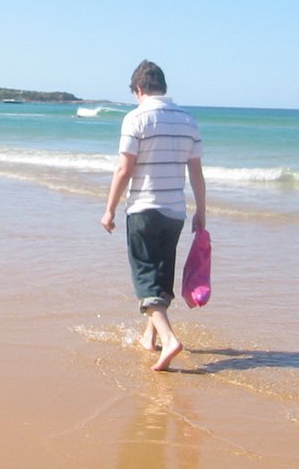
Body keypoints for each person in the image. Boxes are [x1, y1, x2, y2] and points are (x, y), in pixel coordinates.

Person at [101, 60, 206, 372]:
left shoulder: (136, 118)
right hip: (175, 212)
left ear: (138, 90)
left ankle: (169, 339)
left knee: (146, 279)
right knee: (161, 275)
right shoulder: (188, 120)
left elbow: (124, 167)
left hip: (144, 209)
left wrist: (109, 209)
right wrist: (201, 212)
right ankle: (150, 339)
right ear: (163, 86)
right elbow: (197, 173)